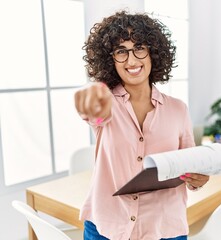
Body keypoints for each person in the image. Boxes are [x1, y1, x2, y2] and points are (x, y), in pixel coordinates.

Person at [74, 10, 209, 240]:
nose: (132, 60)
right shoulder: (105, 104)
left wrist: (198, 179)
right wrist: (87, 96)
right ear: (110, 59)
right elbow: (90, 111)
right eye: (121, 52)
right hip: (107, 228)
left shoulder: (178, 109)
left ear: (152, 53)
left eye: (139, 48)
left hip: (164, 229)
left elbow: (190, 164)